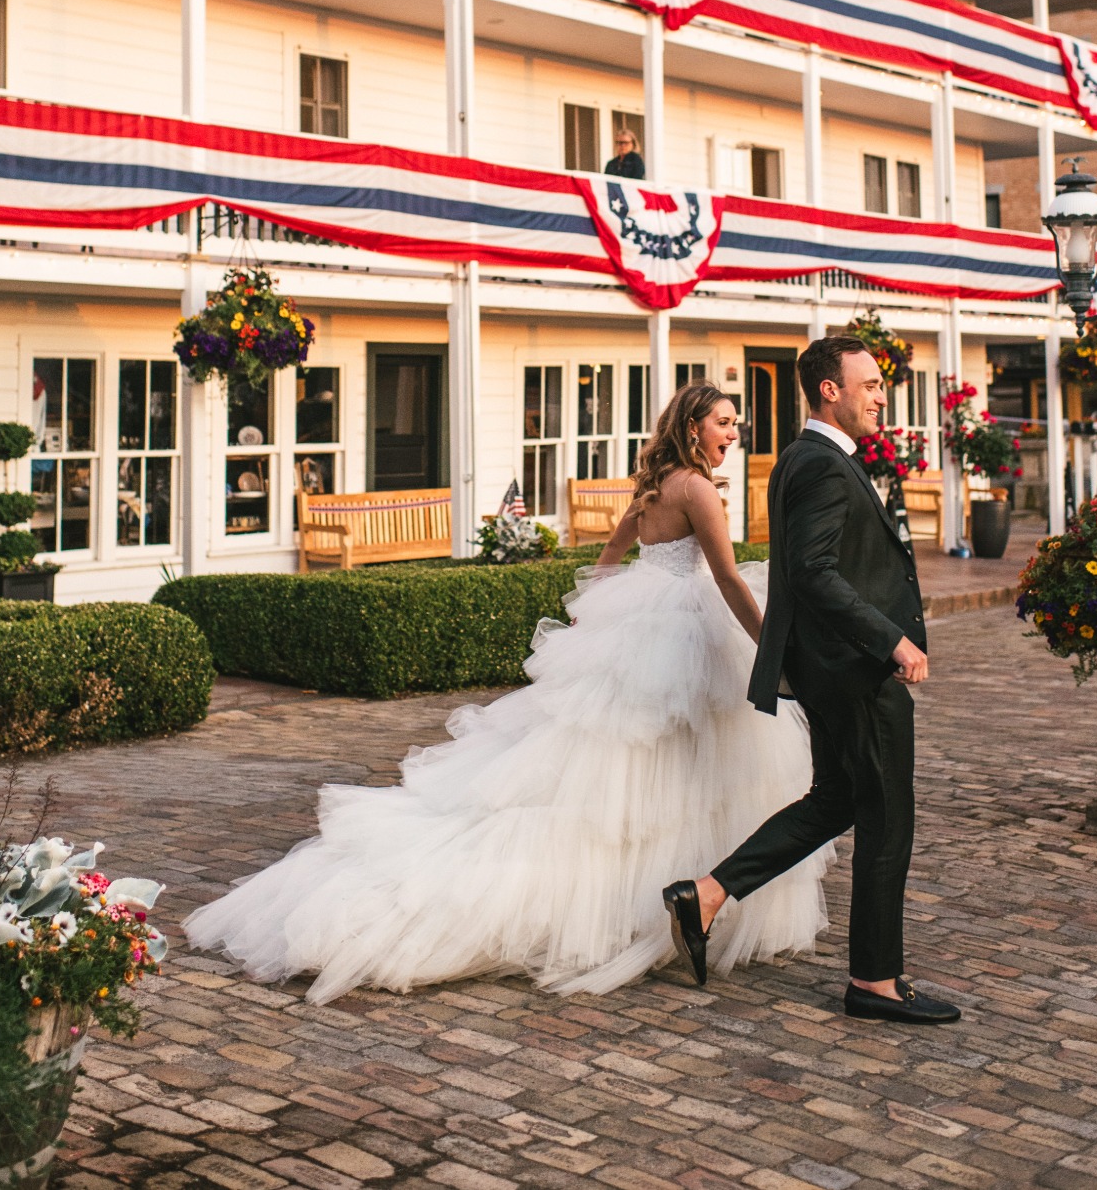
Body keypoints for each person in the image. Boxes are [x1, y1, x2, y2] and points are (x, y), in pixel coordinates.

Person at [184, 382, 830, 1000]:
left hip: (643, 621)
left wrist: (598, 622)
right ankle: (669, 896)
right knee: (686, 771)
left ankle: (664, 892)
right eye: (724, 422)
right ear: (694, 426)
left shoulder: (655, 485)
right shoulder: (699, 490)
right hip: (687, 633)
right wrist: (773, 649)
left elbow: (606, 560)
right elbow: (726, 577)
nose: (733, 432)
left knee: (631, 771)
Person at [663, 335, 960, 1025]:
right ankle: (875, 980)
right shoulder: (821, 464)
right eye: (872, 382)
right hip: (854, 670)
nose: (881, 394)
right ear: (831, 388)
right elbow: (814, 573)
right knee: (887, 816)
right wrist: (892, 641)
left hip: (830, 669)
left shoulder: (810, 458)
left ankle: (706, 893)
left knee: (834, 801)